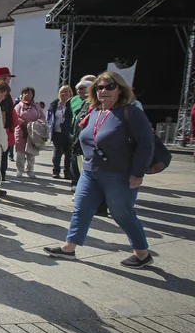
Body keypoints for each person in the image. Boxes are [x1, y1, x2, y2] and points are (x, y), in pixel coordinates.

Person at [44, 71, 155, 269]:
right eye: (99, 87)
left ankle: (142, 253)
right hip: (90, 171)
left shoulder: (131, 112)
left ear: (120, 89)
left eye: (109, 87)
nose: (103, 91)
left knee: (122, 213)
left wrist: (138, 173)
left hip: (119, 173)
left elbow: (146, 144)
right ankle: (69, 248)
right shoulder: (95, 111)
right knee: (81, 209)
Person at [14, 87, 44, 178]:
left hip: (33, 132)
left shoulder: (36, 106)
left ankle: (30, 170)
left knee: (31, 153)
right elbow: (15, 117)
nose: (26, 95)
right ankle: (20, 170)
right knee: (20, 152)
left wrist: (37, 123)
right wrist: (23, 123)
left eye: (29, 93)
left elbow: (42, 117)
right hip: (21, 131)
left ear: (32, 95)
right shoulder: (18, 106)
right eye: (25, 93)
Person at [47, 85, 73, 179]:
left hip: (68, 132)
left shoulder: (72, 105)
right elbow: (49, 118)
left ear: (71, 94)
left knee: (68, 155)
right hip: (56, 132)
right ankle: (56, 171)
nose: (65, 94)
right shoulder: (54, 104)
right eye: (62, 92)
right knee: (56, 155)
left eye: (67, 92)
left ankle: (67, 172)